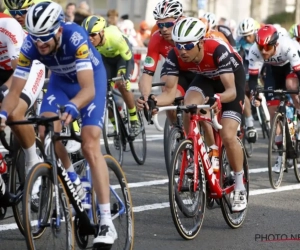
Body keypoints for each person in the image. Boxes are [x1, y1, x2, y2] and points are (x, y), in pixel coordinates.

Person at [0, 2, 117, 246]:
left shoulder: (75, 37)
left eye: (45, 38)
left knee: (89, 143)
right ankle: (73, 181)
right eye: (35, 38)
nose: (40, 44)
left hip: (89, 82)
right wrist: (2, 115)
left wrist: (74, 107)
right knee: (45, 130)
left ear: (58, 30)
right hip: (61, 83)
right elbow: (15, 91)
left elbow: (87, 89)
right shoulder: (31, 44)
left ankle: (106, 221)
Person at [170, 17, 247, 211]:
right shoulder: (175, 54)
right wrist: (151, 101)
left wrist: (217, 98)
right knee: (189, 106)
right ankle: (195, 153)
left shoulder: (218, 49)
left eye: (188, 45)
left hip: (230, 83)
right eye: (179, 46)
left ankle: (239, 185)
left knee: (229, 135)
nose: (182, 50)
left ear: (201, 43)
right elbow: (169, 92)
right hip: (206, 78)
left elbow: (231, 92)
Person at [248, 24, 300, 173]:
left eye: (267, 48)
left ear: (275, 44)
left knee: (291, 86)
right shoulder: (254, 51)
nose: (263, 51)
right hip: (272, 71)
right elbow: (252, 79)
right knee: (272, 111)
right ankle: (280, 155)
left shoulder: (287, 46)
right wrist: (255, 94)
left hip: (290, 67)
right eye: (260, 47)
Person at [0, 3, 45, 174]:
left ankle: (33, 163)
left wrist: (4, 91)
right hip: (4, 70)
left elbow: (19, 71)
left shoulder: (8, 25)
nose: (18, 15)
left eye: (21, 12)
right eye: (15, 12)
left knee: (13, 113)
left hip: (28, 67)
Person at [82, 15, 140, 138]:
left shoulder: (114, 37)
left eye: (93, 35)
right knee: (104, 94)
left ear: (102, 32)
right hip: (106, 60)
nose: (90, 38)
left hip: (121, 58)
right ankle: (116, 127)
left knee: (123, 84)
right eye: (87, 35)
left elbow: (129, 59)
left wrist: (127, 78)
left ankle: (134, 118)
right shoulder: (87, 43)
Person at [137, 0, 185, 126]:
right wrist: (146, 98)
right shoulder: (156, 38)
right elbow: (147, 73)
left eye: (169, 24)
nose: (164, 29)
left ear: (179, 20)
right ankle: (177, 129)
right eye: (160, 25)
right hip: (172, 67)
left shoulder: (190, 31)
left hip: (195, 69)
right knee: (168, 94)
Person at [235, 17, 261, 144]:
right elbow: (237, 58)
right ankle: (250, 122)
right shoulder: (239, 42)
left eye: (249, 35)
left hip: (261, 67)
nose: (247, 39)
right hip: (246, 69)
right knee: (243, 92)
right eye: (244, 36)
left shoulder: (260, 40)